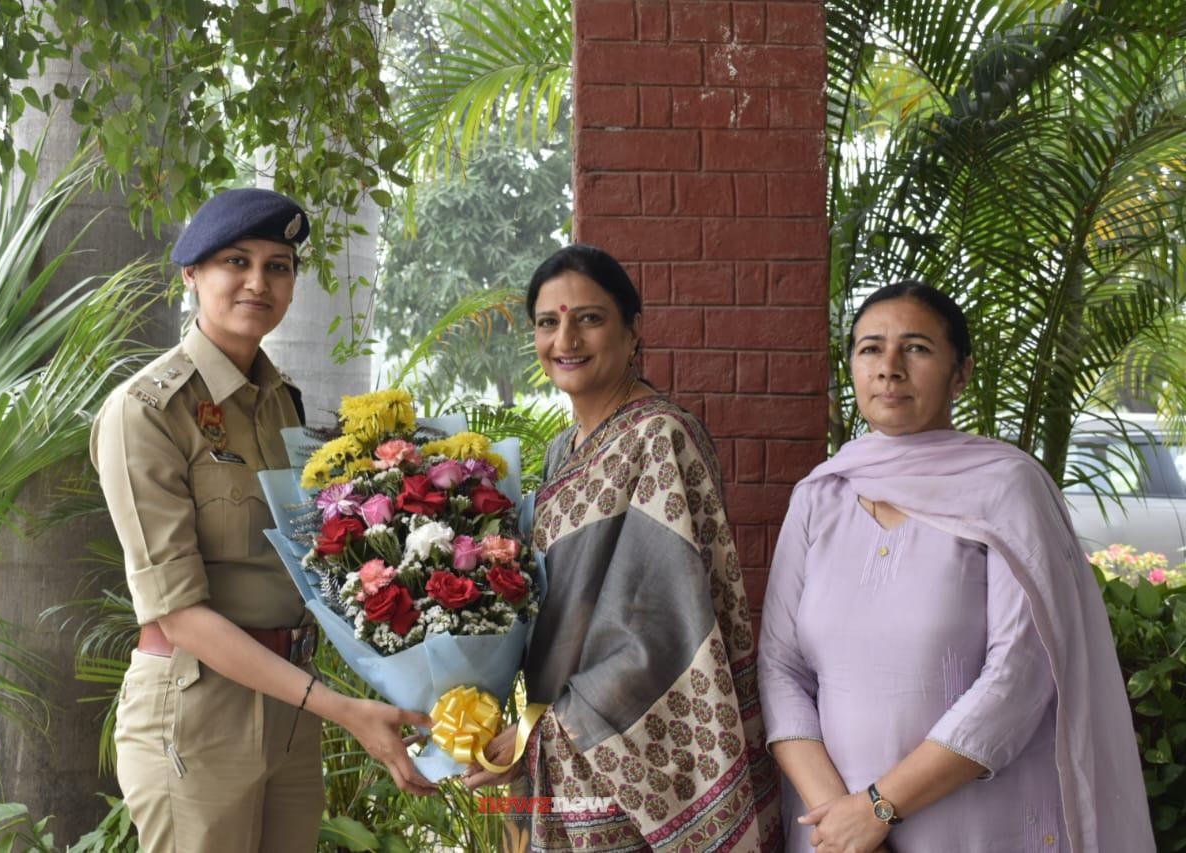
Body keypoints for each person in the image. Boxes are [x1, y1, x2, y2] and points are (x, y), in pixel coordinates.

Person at [90, 188, 435, 853]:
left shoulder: (283, 404)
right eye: (236, 261)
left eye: (279, 265)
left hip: (290, 703)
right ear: (191, 274)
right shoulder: (147, 412)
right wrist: (344, 709)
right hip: (198, 710)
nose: (259, 281)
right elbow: (179, 612)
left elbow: (309, 561)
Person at [758, 281, 1154, 852]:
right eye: (870, 349)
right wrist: (839, 820)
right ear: (851, 367)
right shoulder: (820, 496)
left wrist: (879, 807)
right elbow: (780, 667)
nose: (889, 368)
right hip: (834, 834)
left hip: (974, 822)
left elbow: (1021, 673)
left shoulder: (1007, 489)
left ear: (961, 373)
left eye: (916, 348)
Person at [463, 244, 783, 851]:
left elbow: (659, 626)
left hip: (628, 746)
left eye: (589, 317)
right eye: (548, 322)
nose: (566, 338)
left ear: (633, 331)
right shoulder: (562, 451)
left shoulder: (661, 436)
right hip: (554, 743)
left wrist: (551, 728)